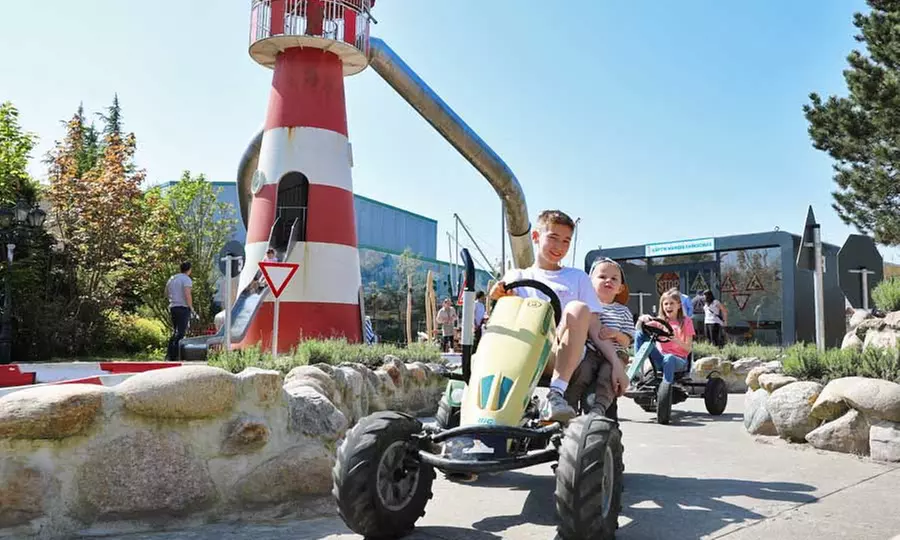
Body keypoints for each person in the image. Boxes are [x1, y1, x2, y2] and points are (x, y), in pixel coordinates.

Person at [490, 210, 629, 422]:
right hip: (520, 349)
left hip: (559, 351)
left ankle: (556, 394)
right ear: (536, 237)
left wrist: (617, 365)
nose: (560, 247)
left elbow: (594, 326)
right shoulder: (517, 276)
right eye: (553, 238)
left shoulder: (577, 278)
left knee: (578, 308)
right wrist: (498, 296)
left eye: (566, 241)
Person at [566, 257, 635, 417]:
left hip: (616, 355)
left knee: (607, 376)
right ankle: (569, 405)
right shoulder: (585, 307)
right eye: (602, 277)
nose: (608, 281)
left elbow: (627, 341)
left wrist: (615, 334)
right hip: (590, 352)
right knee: (581, 372)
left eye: (614, 278)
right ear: (589, 283)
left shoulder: (622, 311)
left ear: (620, 288)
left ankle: (599, 409)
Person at [635, 288, 695, 388]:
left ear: (679, 305)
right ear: (662, 306)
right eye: (666, 304)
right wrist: (641, 319)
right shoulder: (659, 322)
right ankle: (636, 373)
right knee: (640, 334)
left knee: (669, 357)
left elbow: (688, 349)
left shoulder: (686, 322)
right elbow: (639, 329)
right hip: (660, 358)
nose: (668, 306)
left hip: (679, 361)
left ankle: (666, 387)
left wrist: (675, 339)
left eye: (672, 303)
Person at [165, 262, 195, 361]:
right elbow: (187, 294)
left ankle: (170, 354)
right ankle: (175, 355)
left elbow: (166, 292)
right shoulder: (186, 279)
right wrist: (191, 307)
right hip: (183, 307)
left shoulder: (172, 278)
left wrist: (172, 299)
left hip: (173, 306)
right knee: (181, 332)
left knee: (176, 331)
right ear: (189, 269)